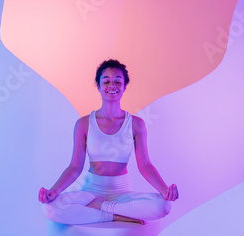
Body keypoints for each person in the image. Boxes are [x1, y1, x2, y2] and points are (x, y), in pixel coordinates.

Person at [38, 59, 179, 225]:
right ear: (98, 86)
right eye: (106, 81)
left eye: (118, 81)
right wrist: (54, 191)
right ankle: (113, 215)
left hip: (122, 192)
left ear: (125, 86)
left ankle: (101, 207)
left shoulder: (136, 124)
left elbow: (145, 165)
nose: (112, 85)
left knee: (163, 206)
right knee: (50, 208)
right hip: (91, 191)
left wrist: (164, 189)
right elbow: (75, 167)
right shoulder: (83, 124)